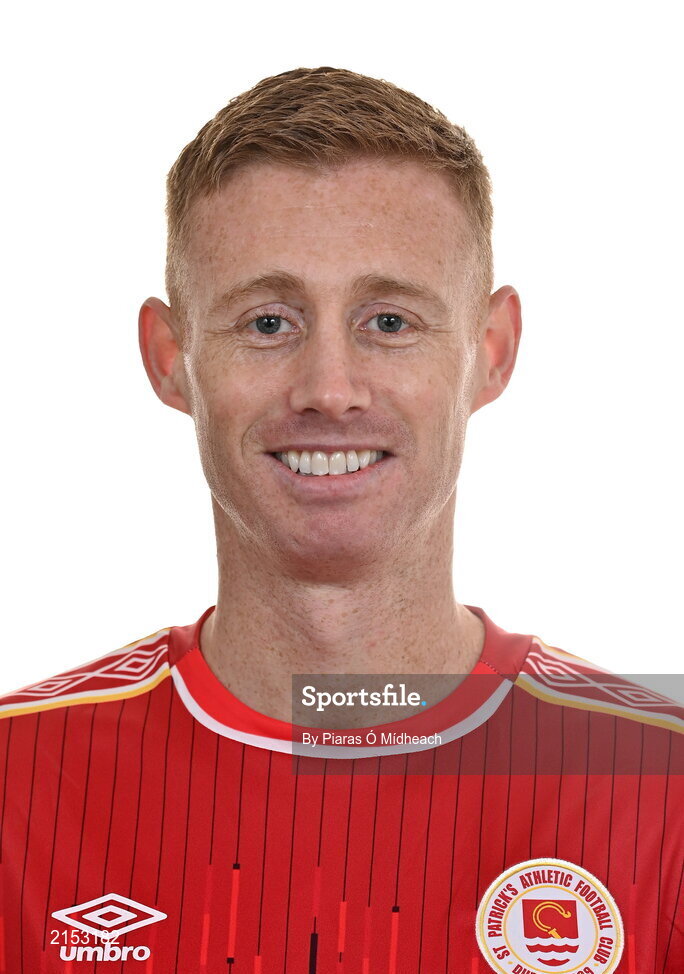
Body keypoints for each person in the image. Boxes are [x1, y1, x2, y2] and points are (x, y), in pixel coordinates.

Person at [0, 66, 681, 974]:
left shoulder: (661, 784)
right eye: (269, 322)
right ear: (170, 359)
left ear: (491, 352)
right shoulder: (16, 779)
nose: (329, 390)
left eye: (389, 320)